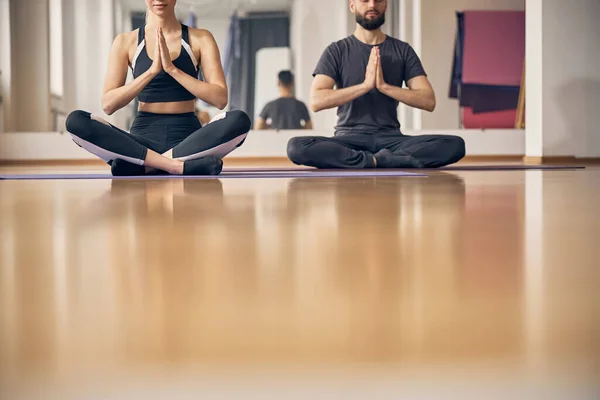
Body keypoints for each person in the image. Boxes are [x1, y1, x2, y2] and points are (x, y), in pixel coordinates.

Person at [65, 0, 251, 176]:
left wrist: (172, 70)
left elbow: (220, 99)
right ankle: (176, 166)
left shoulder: (201, 38)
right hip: (141, 139)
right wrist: (151, 72)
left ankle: (145, 166)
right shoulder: (125, 41)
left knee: (239, 120)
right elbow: (108, 105)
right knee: (76, 121)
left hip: (188, 139)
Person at [286, 0, 465, 169]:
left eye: (378, 0)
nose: (372, 5)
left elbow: (428, 100)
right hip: (349, 139)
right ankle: (381, 161)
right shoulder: (337, 51)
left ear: (385, 4)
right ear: (352, 5)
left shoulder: (403, 50)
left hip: (391, 140)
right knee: (297, 146)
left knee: (455, 145)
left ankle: (371, 160)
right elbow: (317, 100)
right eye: (365, 0)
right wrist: (365, 86)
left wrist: (384, 87)